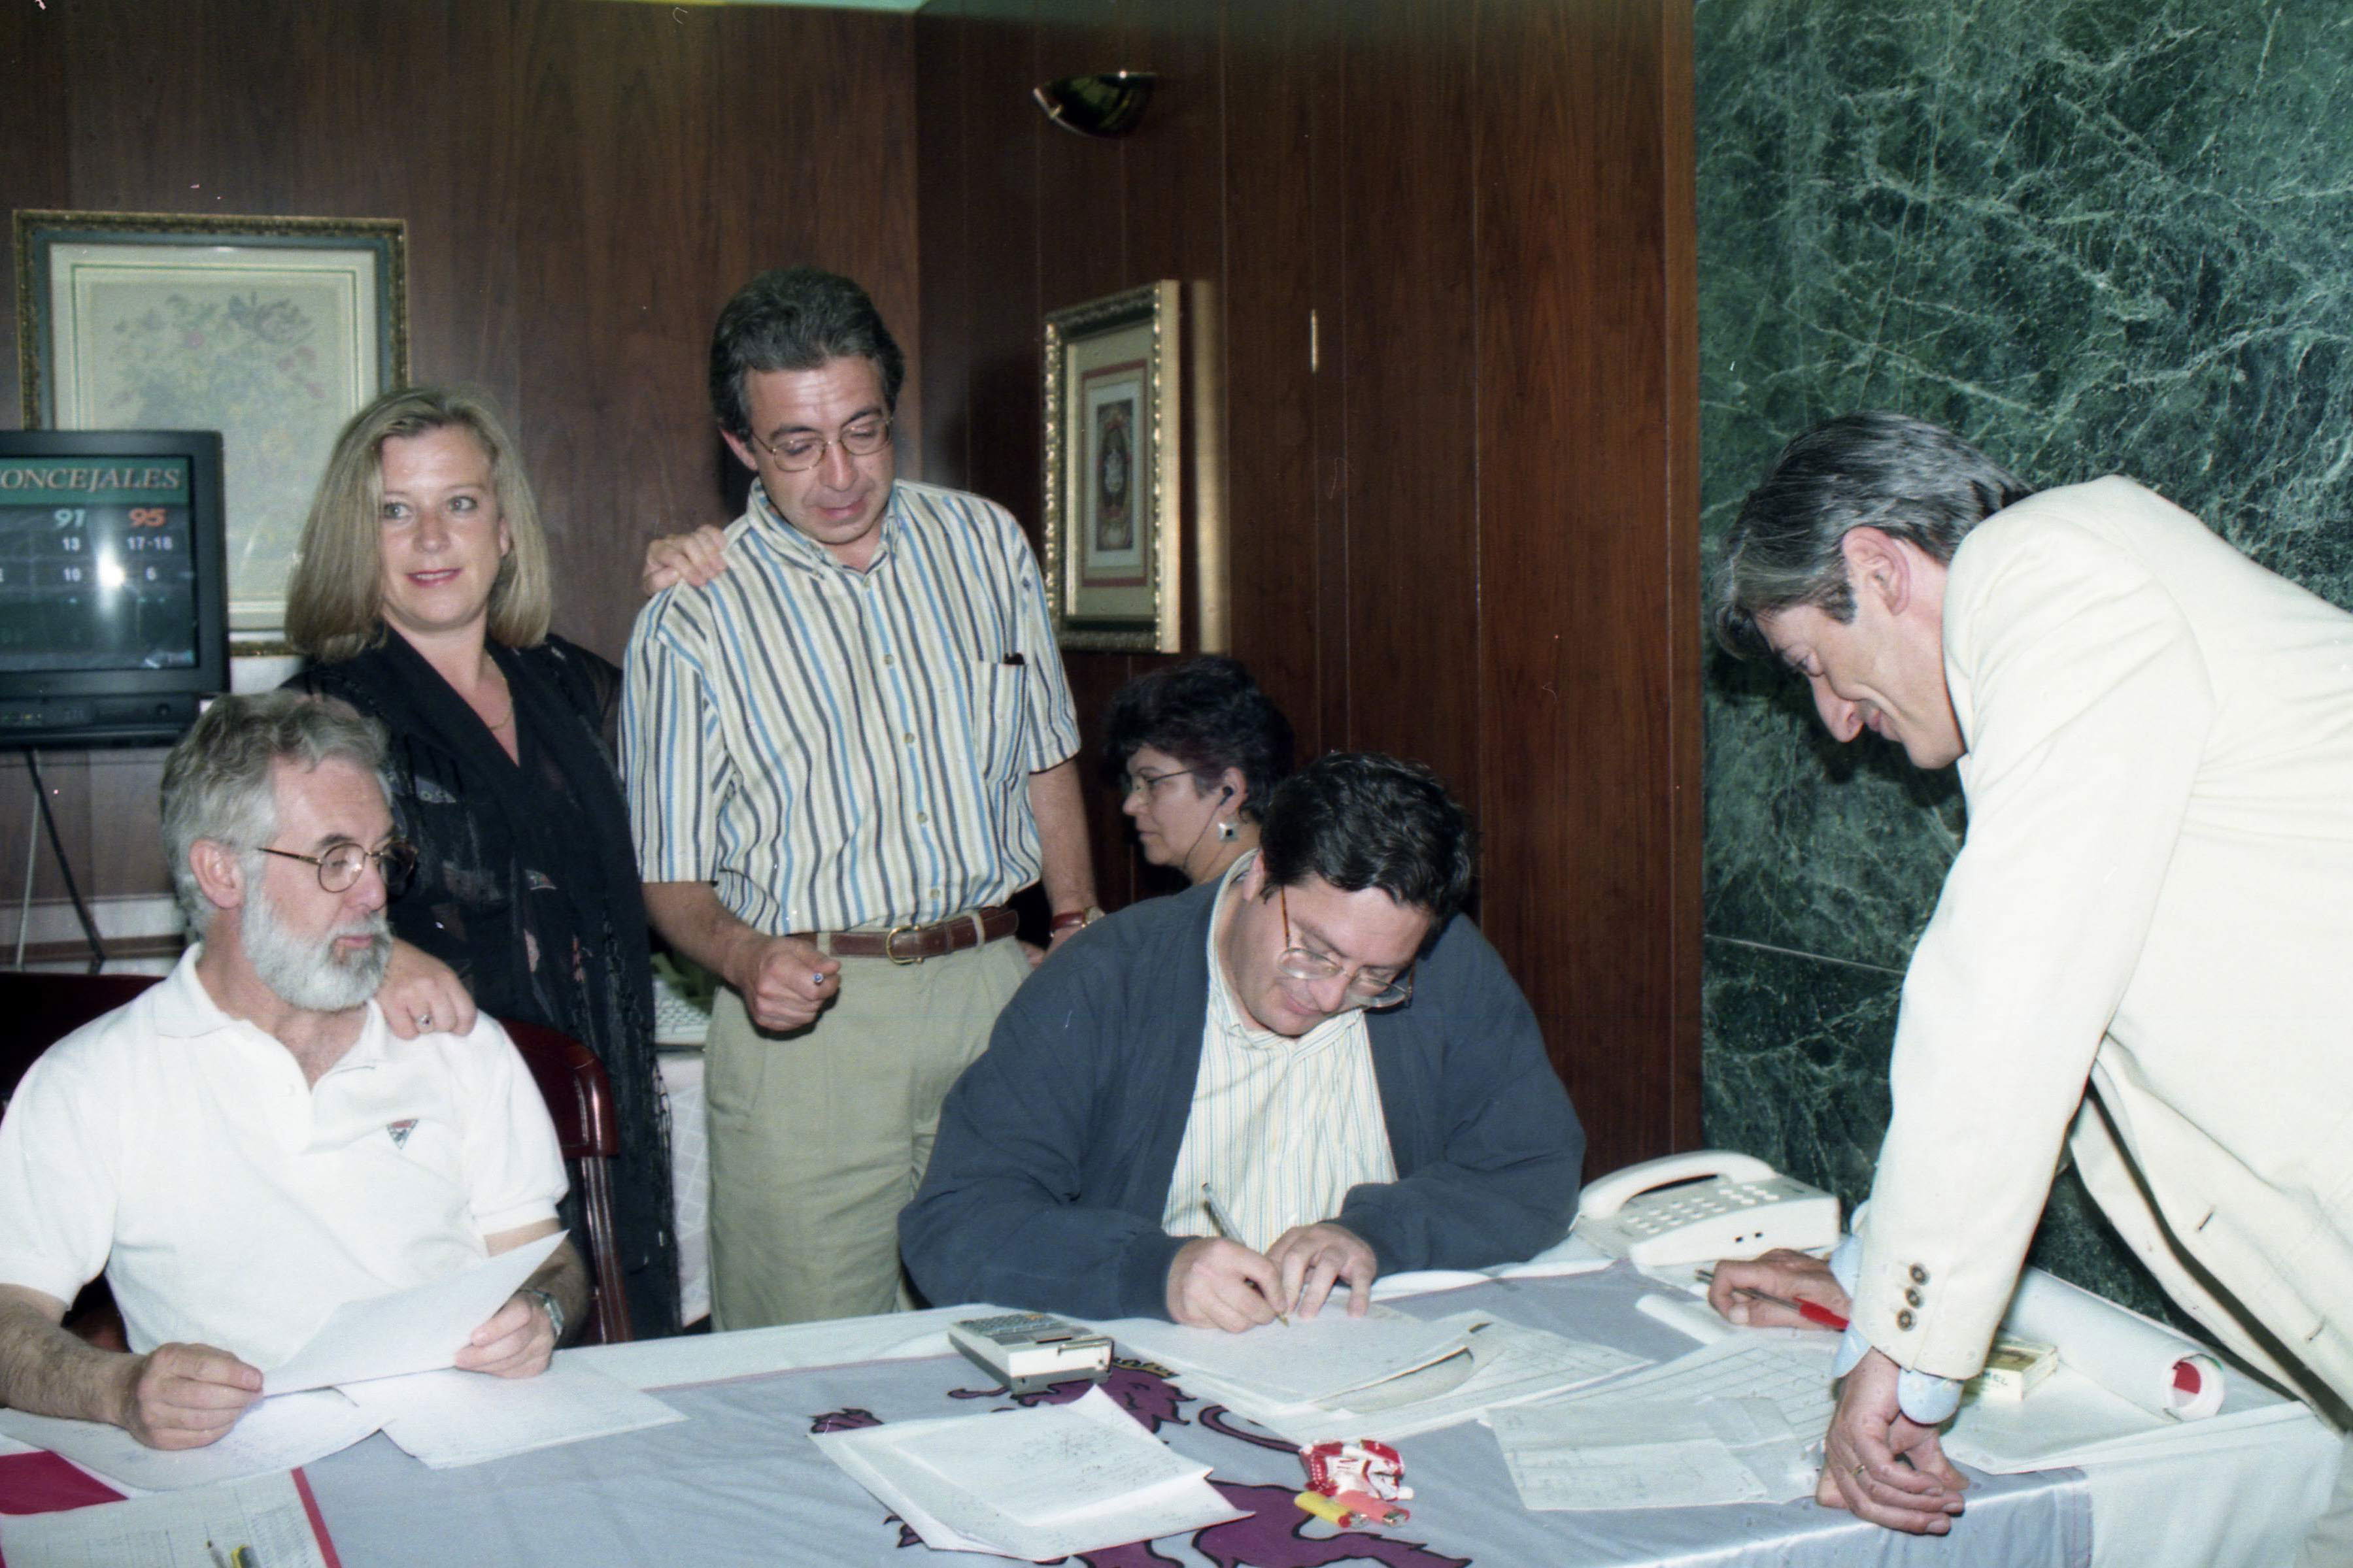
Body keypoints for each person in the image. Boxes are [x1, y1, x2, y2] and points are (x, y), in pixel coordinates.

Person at [1705, 412, 2353, 1557]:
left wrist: (1891, 1357)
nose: (1834, 718)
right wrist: (1861, 1277)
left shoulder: (2043, 568)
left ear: (1876, 565)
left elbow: (2003, 999)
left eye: (1812, 662)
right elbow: (2036, 1039)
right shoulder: (2083, 646)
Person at [624, 266, 1100, 1329]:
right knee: (809, 1372)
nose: (838, 473)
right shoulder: (691, 618)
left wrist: (1071, 921)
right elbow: (668, 876)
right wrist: (745, 958)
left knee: (1017, 1336)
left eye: (862, 430)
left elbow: (1045, 756)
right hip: (811, 1029)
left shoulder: (986, 546)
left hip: (992, 989)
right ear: (739, 445)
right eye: (795, 444)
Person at [0, 693, 583, 1450]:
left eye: (381, 857)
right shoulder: (97, 1079)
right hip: (239, 1465)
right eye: (335, 859)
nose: (374, 892)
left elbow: (552, 1260)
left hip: (469, 1444)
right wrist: (118, 1389)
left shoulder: (452, 1040)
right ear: (221, 871)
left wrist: (544, 1313)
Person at [900, 752, 1584, 1331]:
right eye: (1313, 950)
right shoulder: (1109, 977)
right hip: (1152, 1361)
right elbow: (957, 1223)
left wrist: (1375, 1235)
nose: (1326, 994)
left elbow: (1532, 1173)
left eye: (1374, 976)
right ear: (1258, 873)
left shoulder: (1444, 967)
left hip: (1364, 1349)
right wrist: (1154, 1270)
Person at [284, 386, 679, 1339]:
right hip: (433, 1155)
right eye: (395, 510)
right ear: (357, 536)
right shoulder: (321, 715)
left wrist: (712, 598)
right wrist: (374, 951)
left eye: (459, 504)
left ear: (504, 530)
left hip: (605, 1133)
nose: (430, 538)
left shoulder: (580, 689)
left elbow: (718, 820)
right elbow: (261, 913)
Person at [1102, 656, 1294, 886]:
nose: (1130, 806)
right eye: (1133, 785)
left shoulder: (1262, 906)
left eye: (1151, 781)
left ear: (1228, 791)